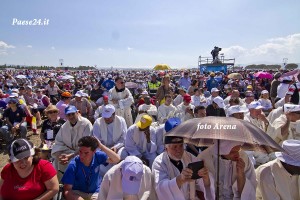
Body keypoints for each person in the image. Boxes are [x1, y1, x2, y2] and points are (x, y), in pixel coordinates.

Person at [152, 135, 215, 200]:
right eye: (175, 147)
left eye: (181, 146)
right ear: (166, 149)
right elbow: (161, 188)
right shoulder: (159, 162)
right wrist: (180, 179)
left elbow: (204, 183)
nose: (179, 150)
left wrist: (205, 177)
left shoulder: (189, 156)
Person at [62, 136, 120, 200]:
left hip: (95, 192)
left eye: (86, 153)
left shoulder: (98, 156)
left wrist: (101, 146)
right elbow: (67, 191)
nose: (82, 156)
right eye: (80, 152)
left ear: (94, 151)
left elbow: (116, 159)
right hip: (78, 193)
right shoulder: (73, 165)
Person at [51, 105, 93, 179]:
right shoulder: (65, 126)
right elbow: (58, 142)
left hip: (83, 152)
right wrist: (59, 155)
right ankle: (61, 182)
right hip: (69, 151)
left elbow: (87, 144)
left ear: (77, 113)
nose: (71, 117)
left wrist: (71, 155)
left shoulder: (86, 124)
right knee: (57, 161)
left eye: (73, 114)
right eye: (68, 115)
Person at [92, 104, 128, 174]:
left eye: (108, 117)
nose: (106, 119)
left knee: (123, 155)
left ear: (114, 114)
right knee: (102, 165)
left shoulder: (121, 121)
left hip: (118, 147)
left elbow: (123, 138)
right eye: (105, 117)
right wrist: (105, 150)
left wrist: (115, 147)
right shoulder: (98, 122)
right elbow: (96, 140)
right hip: (102, 147)